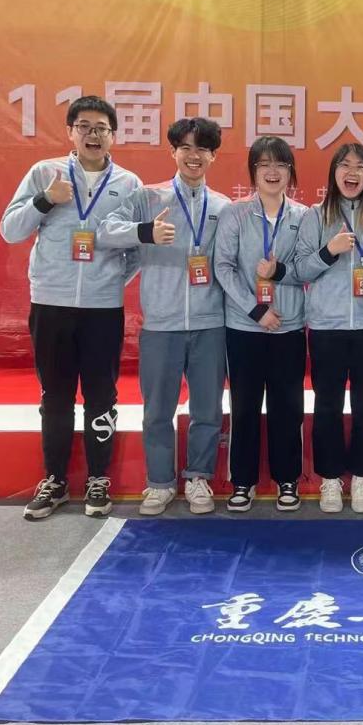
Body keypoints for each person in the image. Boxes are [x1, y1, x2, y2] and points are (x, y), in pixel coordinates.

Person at [0, 96, 142, 521]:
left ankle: (98, 478)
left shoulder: (128, 184)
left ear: (113, 135)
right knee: (56, 396)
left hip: (102, 309)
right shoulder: (45, 174)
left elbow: (137, 246)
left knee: (102, 394)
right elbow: (10, 230)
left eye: (101, 128)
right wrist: (45, 200)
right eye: (84, 126)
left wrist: (111, 280)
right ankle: (55, 480)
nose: (93, 135)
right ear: (70, 132)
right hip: (51, 305)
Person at [96, 117, 231, 516]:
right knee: (157, 410)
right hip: (160, 325)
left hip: (210, 323)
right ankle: (159, 482)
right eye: (185, 147)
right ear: (173, 152)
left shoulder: (224, 207)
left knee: (207, 409)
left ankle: (198, 477)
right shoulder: (147, 197)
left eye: (202, 148)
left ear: (213, 156)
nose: (194, 155)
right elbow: (104, 231)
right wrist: (144, 232)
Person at [293, 144, 363, 513]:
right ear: (334, 172)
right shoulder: (316, 216)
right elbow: (300, 269)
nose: (352, 173)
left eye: (360, 166)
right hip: (327, 326)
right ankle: (331, 479)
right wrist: (329, 251)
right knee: (327, 405)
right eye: (345, 165)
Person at [213, 137, 308, 513]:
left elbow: (306, 268)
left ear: (291, 172)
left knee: (289, 406)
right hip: (244, 327)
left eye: (281, 165)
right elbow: (223, 267)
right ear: (253, 171)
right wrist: (256, 311)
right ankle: (243, 480)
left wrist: (280, 272)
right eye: (264, 164)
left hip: (289, 326)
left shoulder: (304, 216)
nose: (272, 171)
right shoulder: (235, 214)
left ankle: (288, 478)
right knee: (245, 405)